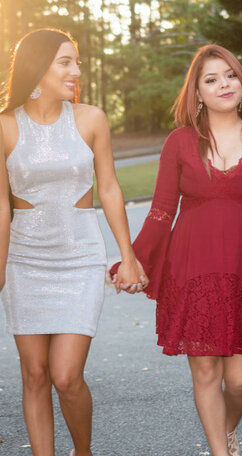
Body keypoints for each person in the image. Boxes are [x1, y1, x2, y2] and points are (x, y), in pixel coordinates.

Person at [110, 44, 242, 456]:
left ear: (241, 82)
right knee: (205, 372)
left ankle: (224, 431)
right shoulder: (179, 142)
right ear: (197, 94)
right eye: (211, 79)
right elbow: (160, 212)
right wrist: (132, 260)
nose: (224, 84)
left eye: (230, 75)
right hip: (191, 271)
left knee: (239, 381)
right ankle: (220, 451)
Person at [0, 29, 147, 456]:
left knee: (65, 376)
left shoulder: (91, 118)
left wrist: (128, 256)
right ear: (38, 66)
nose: (76, 71)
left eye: (76, 62)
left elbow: (111, 190)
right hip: (25, 261)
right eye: (66, 62)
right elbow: (2, 207)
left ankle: (82, 452)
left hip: (79, 256)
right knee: (34, 374)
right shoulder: (6, 126)